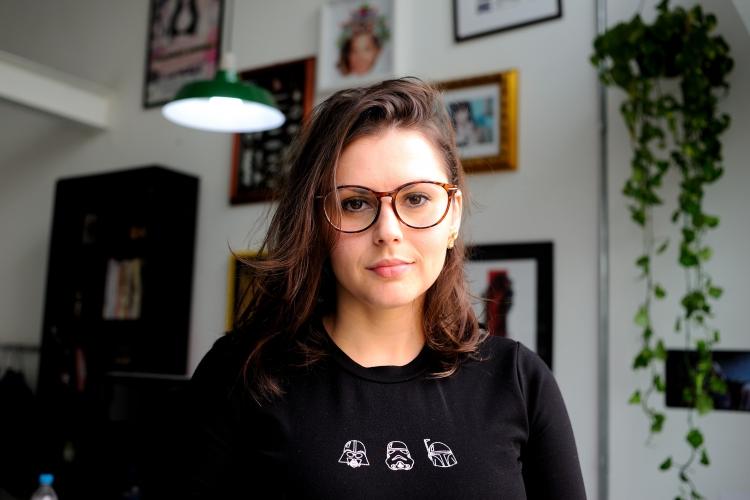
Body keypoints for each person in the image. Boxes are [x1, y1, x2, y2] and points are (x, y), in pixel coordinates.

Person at [186, 77, 586, 499]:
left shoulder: (519, 380)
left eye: (416, 198)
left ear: (453, 216)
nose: (388, 231)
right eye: (355, 203)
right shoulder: (240, 373)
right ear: (317, 223)